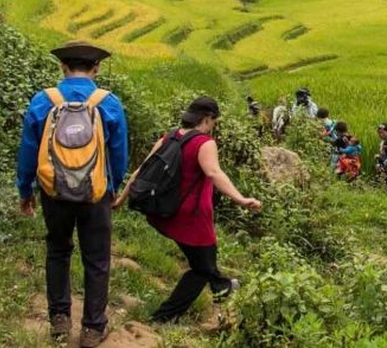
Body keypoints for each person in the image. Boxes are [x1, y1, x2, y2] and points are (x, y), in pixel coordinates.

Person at [16, 41, 128, 347]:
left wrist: (25, 190)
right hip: (96, 194)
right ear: (96, 68)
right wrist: (113, 188)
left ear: (62, 67)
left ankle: (59, 320)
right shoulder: (109, 103)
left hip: (54, 192)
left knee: (57, 250)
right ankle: (93, 328)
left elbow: (27, 151)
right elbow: (119, 155)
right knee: (97, 259)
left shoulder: (43, 101)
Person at [117, 96, 261, 323]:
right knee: (202, 267)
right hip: (192, 218)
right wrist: (241, 199)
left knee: (204, 260)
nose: (214, 126)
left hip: (165, 212)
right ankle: (163, 317)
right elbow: (214, 173)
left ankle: (222, 286)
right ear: (207, 118)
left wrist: (120, 199)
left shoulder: (169, 136)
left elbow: (142, 170)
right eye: (214, 121)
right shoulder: (205, 142)